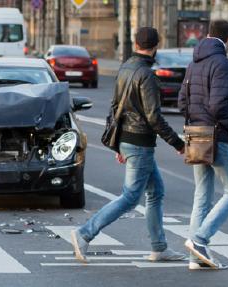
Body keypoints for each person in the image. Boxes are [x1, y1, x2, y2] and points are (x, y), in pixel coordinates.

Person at [70, 27, 186, 263]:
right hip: (140, 142)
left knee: (156, 191)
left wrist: (118, 145)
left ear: (135, 43)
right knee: (131, 197)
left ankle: (159, 247)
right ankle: (84, 233)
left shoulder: (125, 68)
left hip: (129, 140)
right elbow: (154, 117)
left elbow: (115, 108)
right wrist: (177, 142)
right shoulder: (147, 74)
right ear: (156, 46)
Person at [178, 20, 228, 270]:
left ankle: (196, 258)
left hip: (195, 134)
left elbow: (182, 102)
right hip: (216, 135)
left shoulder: (194, 62)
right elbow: (218, 105)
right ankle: (200, 240)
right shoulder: (222, 63)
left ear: (207, 35)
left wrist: (193, 125)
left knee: (202, 195)